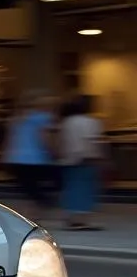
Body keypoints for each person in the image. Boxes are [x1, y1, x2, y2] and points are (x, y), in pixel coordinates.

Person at [2, 90, 58, 223]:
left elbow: (9, 138)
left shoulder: (14, 119)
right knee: (35, 187)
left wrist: (5, 154)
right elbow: (45, 137)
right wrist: (52, 151)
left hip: (16, 158)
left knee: (27, 188)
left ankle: (31, 214)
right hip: (36, 158)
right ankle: (38, 209)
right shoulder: (42, 117)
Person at [59, 94, 104, 230]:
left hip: (68, 159)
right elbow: (93, 141)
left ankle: (71, 217)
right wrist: (100, 157)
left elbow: (62, 140)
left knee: (72, 188)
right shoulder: (91, 122)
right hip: (86, 158)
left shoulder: (67, 122)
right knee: (86, 189)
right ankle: (82, 219)